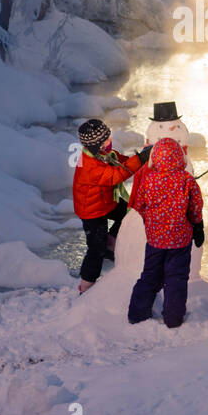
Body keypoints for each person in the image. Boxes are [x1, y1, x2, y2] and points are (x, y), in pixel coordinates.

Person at [127, 137, 205, 328]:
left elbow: (139, 204)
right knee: (176, 278)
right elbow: (195, 207)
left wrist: (151, 221)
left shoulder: (148, 179)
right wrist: (198, 226)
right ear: (180, 157)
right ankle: (173, 318)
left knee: (150, 275)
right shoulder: (187, 180)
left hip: (155, 240)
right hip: (180, 241)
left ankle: (137, 314)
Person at [72, 118, 145, 293]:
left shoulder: (103, 154)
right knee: (96, 249)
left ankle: (111, 242)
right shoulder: (89, 166)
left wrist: (139, 160)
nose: (109, 141)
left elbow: (120, 162)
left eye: (109, 136)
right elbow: (116, 175)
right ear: (96, 145)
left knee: (131, 211)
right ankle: (87, 283)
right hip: (92, 211)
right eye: (105, 140)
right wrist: (140, 160)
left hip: (106, 201)